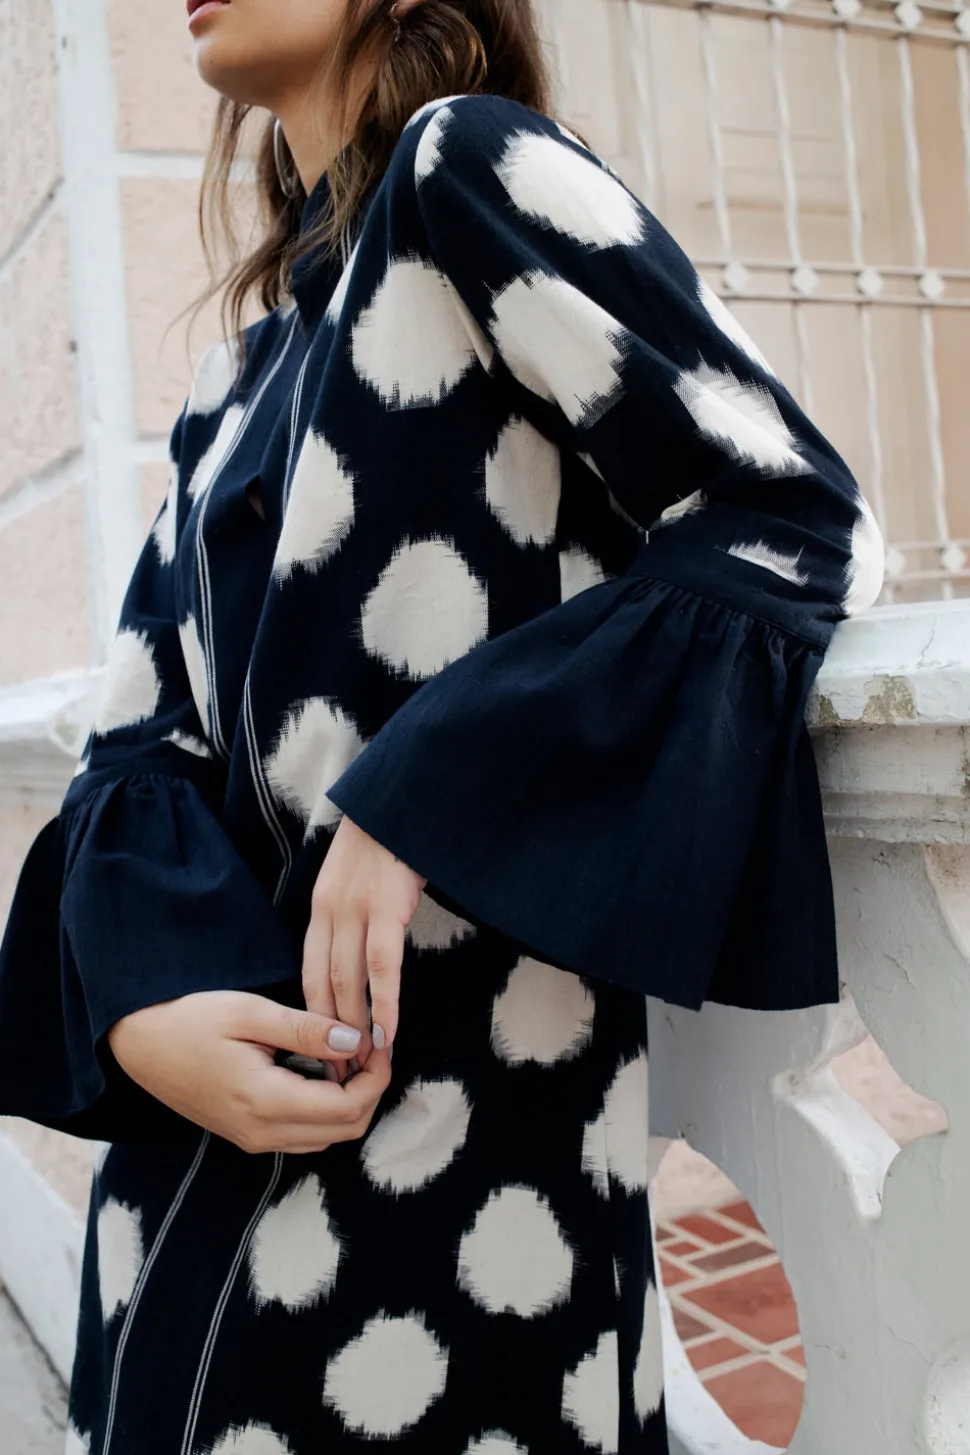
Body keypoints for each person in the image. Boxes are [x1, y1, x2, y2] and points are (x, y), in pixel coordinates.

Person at [0, 0, 885, 1450]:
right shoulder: (239, 378)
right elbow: (138, 740)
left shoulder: (463, 166)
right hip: (179, 1213)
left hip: (469, 1214)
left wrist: (421, 789)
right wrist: (144, 1004)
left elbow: (784, 512)